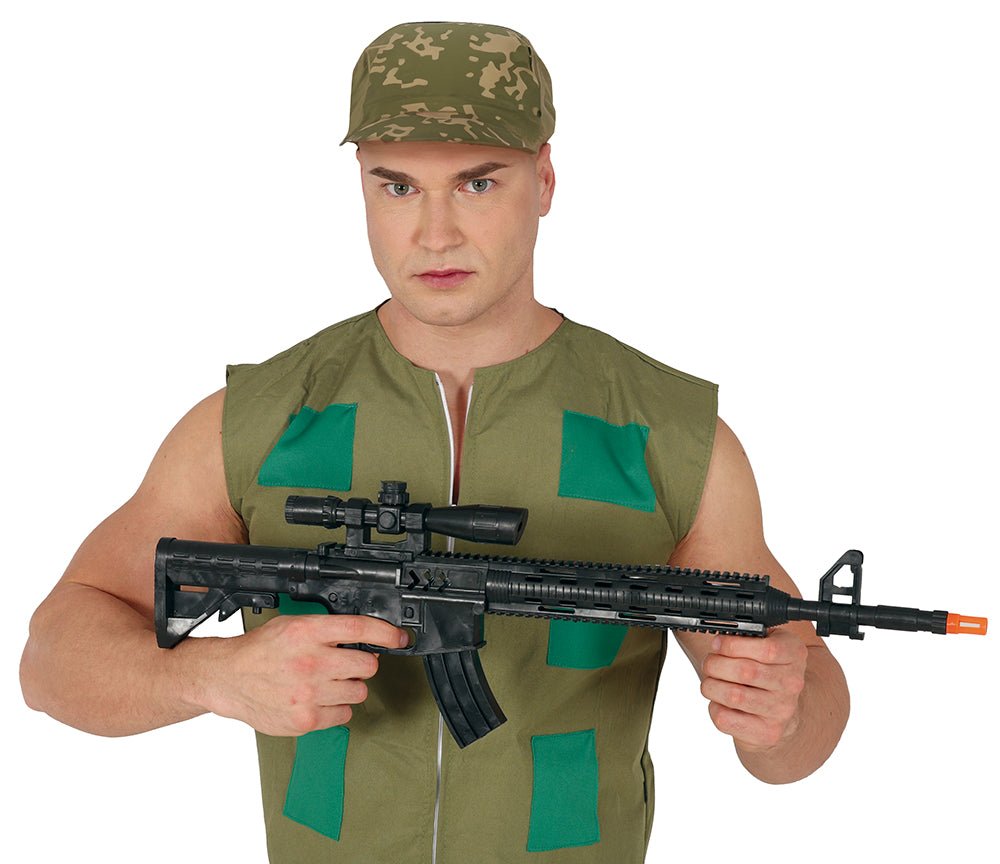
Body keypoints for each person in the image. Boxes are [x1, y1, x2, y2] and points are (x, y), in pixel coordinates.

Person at [20, 21, 849, 863]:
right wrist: (213, 677)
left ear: (545, 179)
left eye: (478, 183)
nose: (435, 233)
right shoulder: (257, 420)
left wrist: (779, 717)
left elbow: (799, 724)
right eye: (398, 187)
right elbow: (51, 660)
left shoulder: (666, 435)